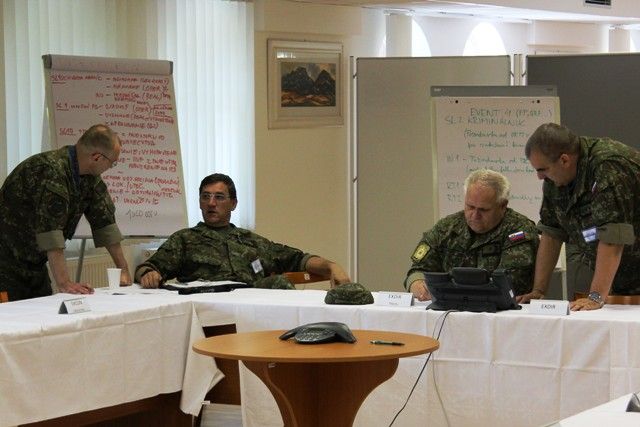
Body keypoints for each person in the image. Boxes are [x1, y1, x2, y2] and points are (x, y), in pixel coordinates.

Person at [135, 173, 350, 288]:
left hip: (250, 309)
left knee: (279, 282)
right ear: (199, 202)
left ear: (233, 204)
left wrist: (332, 266)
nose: (211, 203)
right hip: (208, 308)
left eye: (219, 197)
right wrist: (148, 274)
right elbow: (147, 267)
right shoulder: (185, 239)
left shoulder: (252, 242)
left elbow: (298, 259)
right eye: (205, 197)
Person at [0, 124, 132, 301]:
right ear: (97, 157)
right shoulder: (51, 171)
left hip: (34, 266)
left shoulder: (89, 178)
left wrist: (123, 270)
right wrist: (65, 283)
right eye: (112, 163)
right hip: (5, 265)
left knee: (44, 315)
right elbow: (51, 233)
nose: (111, 167)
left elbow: (105, 223)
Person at [518, 123, 640, 311]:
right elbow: (552, 233)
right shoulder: (555, 178)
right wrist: (538, 291)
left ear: (564, 160)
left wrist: (596, 296)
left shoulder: (608, 166)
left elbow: (613, 236)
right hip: (625, 280)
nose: (540, 177)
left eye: (542, 169)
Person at [404, 169, 539, 301]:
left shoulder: (519, 231)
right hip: (449, 308)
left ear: (503, 206)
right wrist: (417, 284)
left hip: (502, 311)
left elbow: (511, 283)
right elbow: (417, 269)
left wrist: (454, 291)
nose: (475, 215)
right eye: (470, 207)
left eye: (483, 210)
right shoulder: (446, 228)